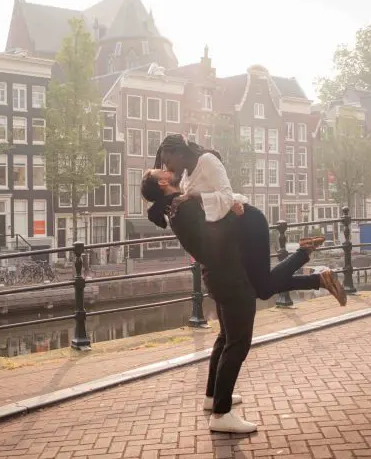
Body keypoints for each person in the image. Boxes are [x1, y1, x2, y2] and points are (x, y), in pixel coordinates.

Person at [150, 134, 346, 305]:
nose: (168, 166)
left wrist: (194, 197)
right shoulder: (185, 180)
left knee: (263, 288)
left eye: (168, 160)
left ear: (180, 153)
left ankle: (307, 258)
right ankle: (319, 277)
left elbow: (226, 197)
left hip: (249, 222)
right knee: (262, 289)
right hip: (236, 230)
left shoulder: (207, 161)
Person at [142, 169, 259, 434]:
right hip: (228, 275)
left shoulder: (177, 207)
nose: (168, 168)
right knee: (238, 343)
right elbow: (211, 239)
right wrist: (234, 215)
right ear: (162, 182)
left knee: (225, 337)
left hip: (217, 274)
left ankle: (213, 396)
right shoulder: (182, 209)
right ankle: (221, 414)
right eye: (160, 170)